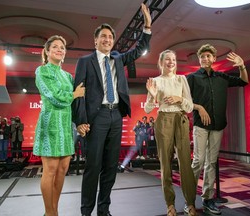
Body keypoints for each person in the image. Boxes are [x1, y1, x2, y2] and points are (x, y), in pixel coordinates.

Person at [72, 3, 151, 215]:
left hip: (116, 115)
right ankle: (86, 211)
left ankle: (103, 209)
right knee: (93, 167)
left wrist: (147, 26)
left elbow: (138, 51)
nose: (107, 40)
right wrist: (80, 121)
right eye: (103, 36)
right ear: (95, 40)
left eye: (110, 37)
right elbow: (78, 93)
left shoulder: (117, 58)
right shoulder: (85, 61)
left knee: (110, 168)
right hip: (96, 119)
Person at [184, 44, 249, 215]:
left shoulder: (222, 77)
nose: (205, 59)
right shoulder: (191, 78)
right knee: (198, 161)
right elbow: (183, 100)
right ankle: (189, 199)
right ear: (199, 60)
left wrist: (242, 66)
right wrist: (198, 107)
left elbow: (244, 81)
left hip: (218, 126)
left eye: (208, 56)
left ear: (214, 58)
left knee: (211, 163)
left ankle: (207, 199)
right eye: (202, 56)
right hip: (200, 126)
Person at [33, 35, 85, 216]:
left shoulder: (68, 76)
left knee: (63, 170)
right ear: (47, 52)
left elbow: (74, 103)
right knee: (50, 170)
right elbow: (54, 97)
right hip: (50, 125)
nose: (59, 49)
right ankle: (49, 213)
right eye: (55, 47)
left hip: (65, 127)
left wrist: (80, 121)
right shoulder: (42, 71)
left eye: (62, 47)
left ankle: (54, 210)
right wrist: (74, 94)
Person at [144, 50, 197, 216]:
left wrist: (179, 99)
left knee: (185, 165)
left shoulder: (182, 79)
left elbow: (189, 107)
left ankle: (190, 203)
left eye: (173, 59)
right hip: (163, 119)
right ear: (161, 62)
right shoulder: (155, 81)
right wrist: (153, 97)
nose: (171, 62)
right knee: (165, 165)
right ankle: (170, 205)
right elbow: (147, 109)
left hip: (180, 119)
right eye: (167, 59)